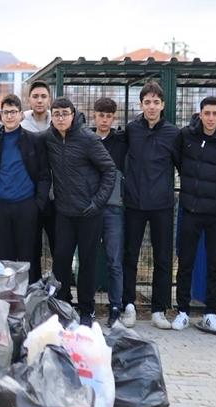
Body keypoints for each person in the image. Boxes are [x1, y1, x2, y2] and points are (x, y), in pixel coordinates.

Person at [45, 97, 115, 326]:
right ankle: (63, 306)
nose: (60, 118)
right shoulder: (49, 138)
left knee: (87, 263)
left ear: (73, 114)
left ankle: (87, 310)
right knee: (61, 261)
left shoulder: (87, 138)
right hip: (64, 212)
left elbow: (109, 170)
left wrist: (98, 202)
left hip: (88, 213)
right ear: (51, 116)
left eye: (65, 113)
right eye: (56, 114)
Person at [175, 97, 216, 332]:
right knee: (185, 262)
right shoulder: (187, 137)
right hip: (190, 210)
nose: (211, 118)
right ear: (200, 114)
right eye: (207, 113)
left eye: (215, 113)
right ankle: (182, 310)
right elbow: (177, 163)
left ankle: (210, 312)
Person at [121, 81, 181, 330]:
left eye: (156, 102)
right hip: (134, 203)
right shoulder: (131, 130)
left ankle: (159, 309)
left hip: (162, 205)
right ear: (141, 104)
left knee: (163, 259)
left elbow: (182, 166)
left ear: (163, 105)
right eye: (147, 102)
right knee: (129, 256)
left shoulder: (173, 133)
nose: (152, 106)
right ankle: (128, 306)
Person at [0, 94, 49, 273]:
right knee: (4, 259)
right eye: (6, 112)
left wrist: (38, 204)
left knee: (28, 258)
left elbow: (44, 174)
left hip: (26, 206)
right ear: (1, 115)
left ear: (21, 114)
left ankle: (27, 297)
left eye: (13, 112)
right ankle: (8, 299)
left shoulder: (33, 140)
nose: (10, 116)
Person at [91, 97, 127, 329]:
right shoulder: (87, 140)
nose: (104, 120)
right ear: (94, 116)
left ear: (114, 118)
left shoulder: (121, 141)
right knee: (89, 259)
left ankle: (116, 307)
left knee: (115, 260)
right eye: (101, 115)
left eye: (109, 116)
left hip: (114, 207)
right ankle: (88, 306)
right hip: (92, 207)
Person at [22, 80, 56, 280]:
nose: (39, 100)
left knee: (58, 248)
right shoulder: (21, 125)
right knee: (32, 248)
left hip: (56, 197)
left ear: (49, 99)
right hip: (30, 198)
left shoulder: (59, 121)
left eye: (43, 96)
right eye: (35, 96)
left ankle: (61, 295)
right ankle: (32, 291)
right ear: (29, 100)